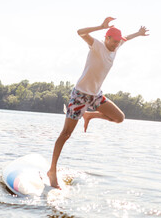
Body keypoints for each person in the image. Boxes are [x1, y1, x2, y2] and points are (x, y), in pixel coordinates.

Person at [47, 17, 149, 188]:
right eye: (114, 41)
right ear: (106, 38)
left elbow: (126, 39)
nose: (116, 45)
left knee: (119, 117)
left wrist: (138, 34)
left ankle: (89, 115)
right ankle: (52, 171)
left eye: (118, 42)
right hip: (80, 95)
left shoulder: (116, 46)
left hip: (95, 95)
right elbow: (80, 32)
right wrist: (101, 26)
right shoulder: (97, 45)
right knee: (65, 134)